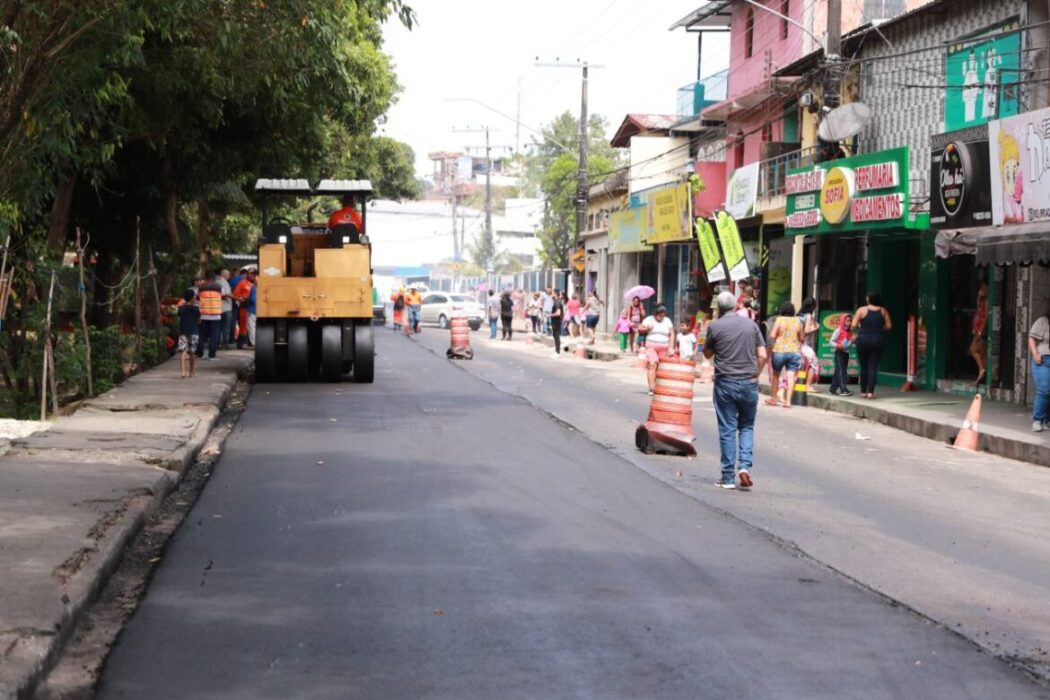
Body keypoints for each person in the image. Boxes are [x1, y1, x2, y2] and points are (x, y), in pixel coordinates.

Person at [704, 291, 768, 490]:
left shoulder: (714, 326)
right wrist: (755, 375)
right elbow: (763, 355)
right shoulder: (751, 325)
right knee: (747, 426)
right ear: (734, 306)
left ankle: (728, 477)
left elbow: (707, 354)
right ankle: (745, 467)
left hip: (726, 383)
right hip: (749, 382)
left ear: (719, 309)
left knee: (728, 429)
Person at [851, 292, 893, 399]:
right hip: (878, 340)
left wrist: (862, 327)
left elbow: (854, 325)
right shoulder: (883, 311)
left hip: (863, 339)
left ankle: (863, 392)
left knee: (863, 366)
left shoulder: (861, 310)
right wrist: (878, 329)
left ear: (869, 299)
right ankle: (870, 392)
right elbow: (889, 326)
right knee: (872, 366)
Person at [767, 301, 804, 408]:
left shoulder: (779, 320)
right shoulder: (798, 321)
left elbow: (773, 335)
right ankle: (788, 402)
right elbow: (801, 338)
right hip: (793, 351)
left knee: (776, 375)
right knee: (791, 376)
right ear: (793, 311)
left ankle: (774, 399)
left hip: (779, 351)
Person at [639, 305, 676, 396]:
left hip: (664, 347)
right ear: (656, 314)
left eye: (663, 315)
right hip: (651, 346)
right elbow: (640, 329)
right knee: (652, 364)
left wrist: (671, 347)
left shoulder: (667, 321)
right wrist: (647, 329)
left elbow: (672, 334)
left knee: (661, 368)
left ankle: (660, 386)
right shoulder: (649, 319)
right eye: (660, 315)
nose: (661, 317)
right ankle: (652, 388)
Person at [1028, 302, 1050, 432]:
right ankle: (1037, 419)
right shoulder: (1043, 321)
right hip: (1044, 359)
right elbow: (1031, 338)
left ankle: (1047, 420)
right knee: (1044, 390)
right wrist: (1035, 354)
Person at [195, 274, 223, 360]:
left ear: (206, 279)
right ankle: (212, 355)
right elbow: (222, 297)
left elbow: (197, 298)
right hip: (216, 316)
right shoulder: (219, 288)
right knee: (214, 336)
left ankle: (199, 354)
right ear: (214, 280)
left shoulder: (201, 288)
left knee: (201, 336)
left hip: (204, 315)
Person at [829, 314, 854, 396]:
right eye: (847, 321)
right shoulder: (838, 330)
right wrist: (837, 345)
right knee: (841, 371)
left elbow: (849, 342)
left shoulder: (849, 332)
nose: (849, 323)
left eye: (850, 321)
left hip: (846, 353)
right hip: (839, 353)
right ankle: (843, 389)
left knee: (838, 371)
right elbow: (831, 341)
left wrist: (853, 340)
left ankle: (833, 388)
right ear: (843, 321)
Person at [177, 289, 200, 378]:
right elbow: (199, 320)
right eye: (194, 296)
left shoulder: (181, 309)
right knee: (192, 352)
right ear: (191, 298)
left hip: (183, 331)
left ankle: (183, 371)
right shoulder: (196, 309)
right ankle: (192, 371)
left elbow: (180, 318)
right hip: (194, 332)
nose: (195, 297)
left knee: (183, 351)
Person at [233, 269, 255, 348]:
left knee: (253, 326)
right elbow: (235, 294)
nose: (252, 275)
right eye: (250, 274)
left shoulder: (258, 283)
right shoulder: (242, 283)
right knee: (243, 325)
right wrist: (241, 298)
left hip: (255, 308)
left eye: (253, 274)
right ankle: (240, 344)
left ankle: (251, 342)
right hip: (245, 307)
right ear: (247, 274)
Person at [971, 283, 989, 384]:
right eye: (981, 287)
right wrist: (979, 296)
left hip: (981, 330)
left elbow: (986, 316)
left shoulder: (987, 302)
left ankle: (982, 370)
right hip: (977, 329)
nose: (982, 289)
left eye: (984, 287)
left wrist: (981, 331)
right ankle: (980, 374)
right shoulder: (982, 301)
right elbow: (977, 305)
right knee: (980, 352)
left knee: (975, 349)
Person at [218, 270, 234, 350]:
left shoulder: (217, 281)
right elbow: (226, 294)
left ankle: (218, 344)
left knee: (219, 327)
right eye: (228, 275)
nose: (229, 277)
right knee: (226, 328)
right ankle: (224, 344)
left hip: (219, 308)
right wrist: (237, 298)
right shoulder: (223, 282)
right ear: (224, 275)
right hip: (225, 308)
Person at [549, 290, 565, 355]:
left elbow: (558, 313)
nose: (551, 294)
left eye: (552, 293)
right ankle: (556, 350)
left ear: (555, 294)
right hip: (555, 321)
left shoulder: (557, 302)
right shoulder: (556, 302)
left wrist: (550, 315)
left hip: (556, 321)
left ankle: (557, 352)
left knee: (556, 336)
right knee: (555, 336)